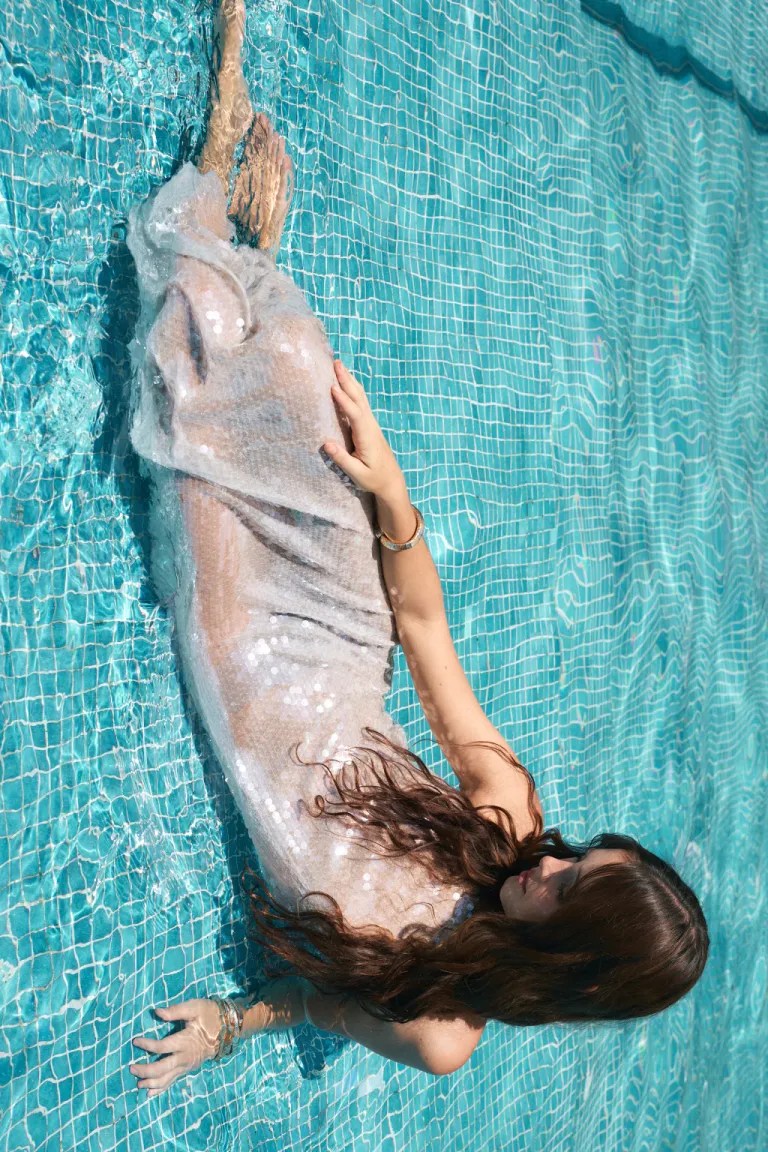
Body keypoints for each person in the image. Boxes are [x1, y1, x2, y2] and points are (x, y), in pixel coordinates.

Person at [127, 0, 708, 1099]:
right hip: (341, 640)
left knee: (190, 352)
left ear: (571, 961)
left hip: (247, 659)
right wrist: (394, 497)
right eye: (589, 854)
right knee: (296, 357)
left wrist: (229, 1025)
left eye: (570, 885)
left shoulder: (445, 1025)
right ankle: (249, 236)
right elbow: (427, 634)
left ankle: (219, 180)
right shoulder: (504, 814)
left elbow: (317, 1002)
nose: (552, 860)